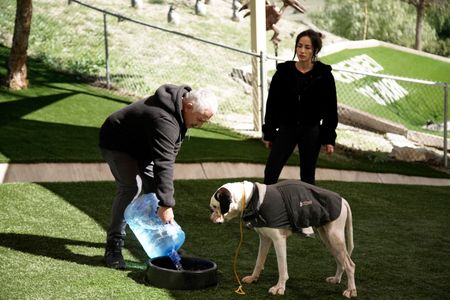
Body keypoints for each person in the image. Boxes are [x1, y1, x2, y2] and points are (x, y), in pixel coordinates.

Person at [99, 84, 218, 269]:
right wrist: (166, 204)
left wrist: (162, 199)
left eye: (205, 121)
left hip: (142, 145)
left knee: (156, 188)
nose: (200, 125)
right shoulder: (164, 119)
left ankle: (167, 245)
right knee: (131, 188)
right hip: (117, 142)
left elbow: (170, 153)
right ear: (188, 107)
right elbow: (164, 163)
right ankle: (113, 246)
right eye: (200, 119)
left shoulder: (181, 110)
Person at [262, 29, 338, 237]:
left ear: (315, 50)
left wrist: (328, 138)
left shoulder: (324, 76)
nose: (302, 51)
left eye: (307, 47)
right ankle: (265, 214)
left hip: (311, 130)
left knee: (307, 177)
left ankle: (306, 220)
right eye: (299, 46)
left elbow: (331, 109)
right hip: (286, 129)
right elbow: (272, 104)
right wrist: (269, 132)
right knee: (270, 172)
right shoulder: (284, 73)